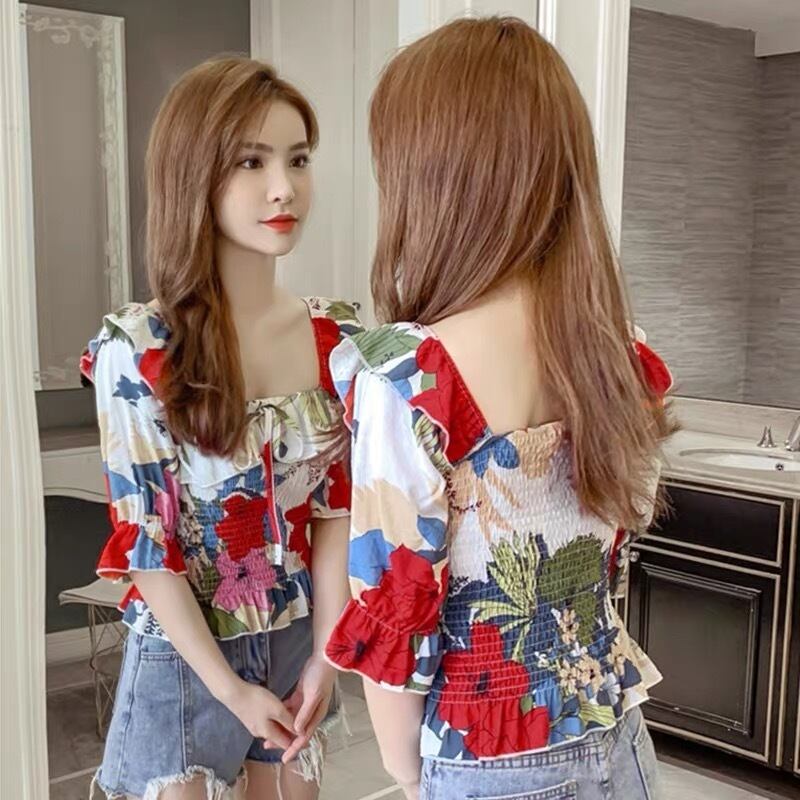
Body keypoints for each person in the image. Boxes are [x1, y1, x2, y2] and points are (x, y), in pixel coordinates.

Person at [323, 17, 675, 800]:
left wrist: (408, 773)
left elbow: (396, 605)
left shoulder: (412, 375)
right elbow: (624, 522)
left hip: (488, 755)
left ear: (432, 179)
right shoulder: (613, 351)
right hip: (618, 740)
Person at [82, 57, 362, 800]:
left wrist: (326, 657)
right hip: (186, 659)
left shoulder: (335, 337)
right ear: (195, 175)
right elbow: (147, 545)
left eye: (298, 159)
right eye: (251, 161)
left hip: (298, 641)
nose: (284, 187)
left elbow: (335, 511)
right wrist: (231, 691)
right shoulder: (139, 347)